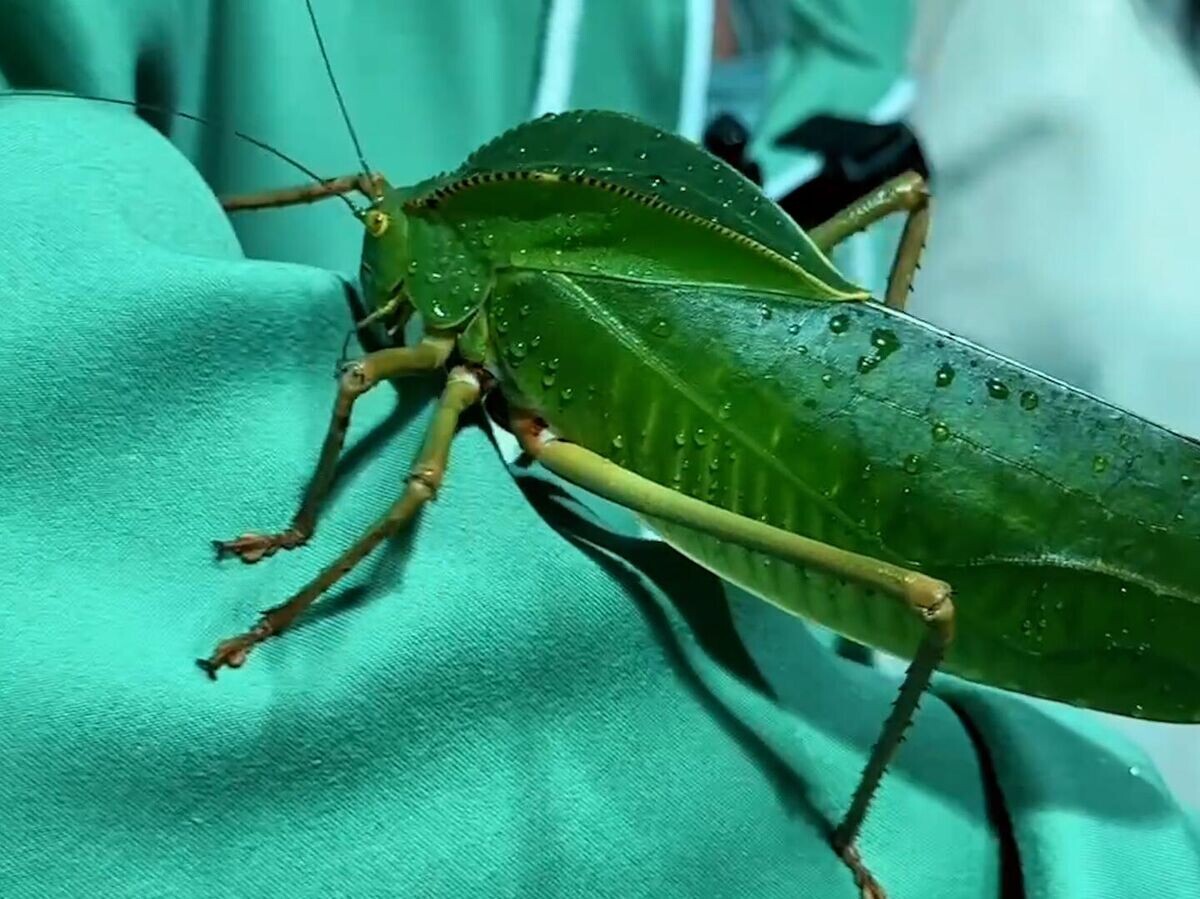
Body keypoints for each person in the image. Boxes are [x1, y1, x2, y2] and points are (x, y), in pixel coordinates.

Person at [0, 2, 1195, 897]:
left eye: (386, 236)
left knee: (925, 596)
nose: (376, 251)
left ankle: (854, 829)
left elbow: (380, 411)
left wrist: (281, 572)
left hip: (757, 468)